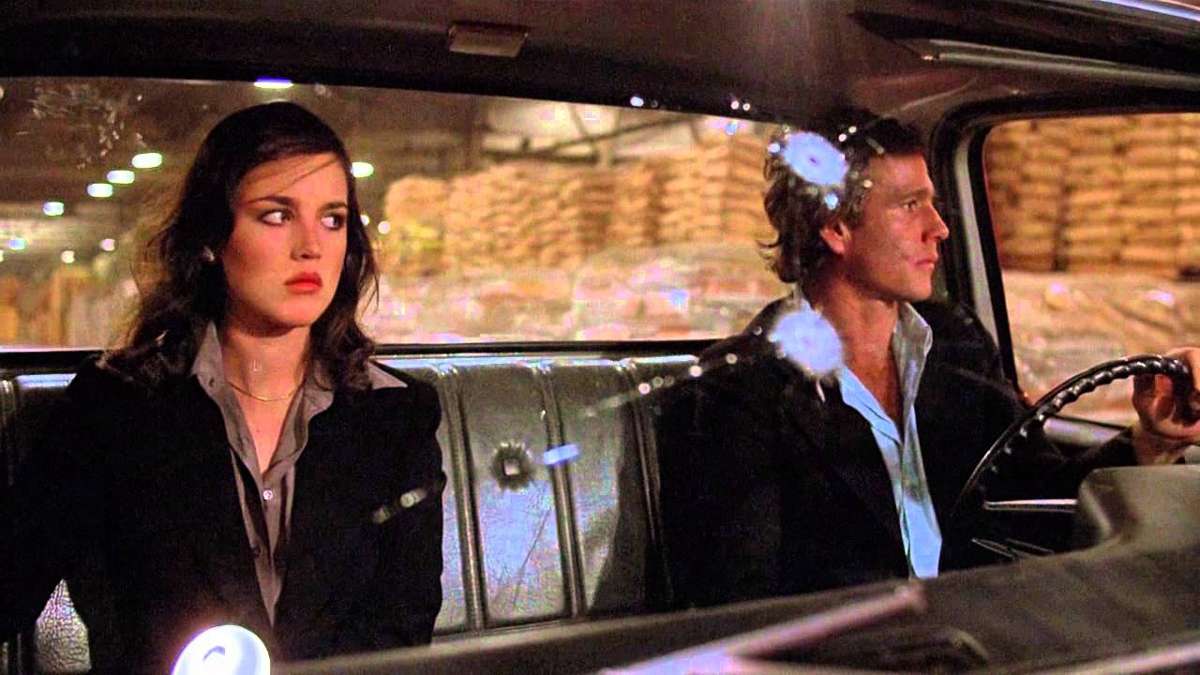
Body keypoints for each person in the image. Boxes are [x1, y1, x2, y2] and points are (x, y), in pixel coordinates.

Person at [656, 110, 1200, 608]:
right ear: (836, 227)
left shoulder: (957, 342)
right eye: (909, 205)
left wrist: (1152, 441)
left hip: (981, 638)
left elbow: (1033, 502)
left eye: (933, 203)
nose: (938, 228)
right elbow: (741, 611)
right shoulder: (734, 392)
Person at [0, 102, 445, 672]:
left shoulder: (396, 414)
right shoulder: (116, 406)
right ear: (211, 237)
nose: (311, 246)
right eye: (277, 215)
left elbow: (403, 628)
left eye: (333, 219)